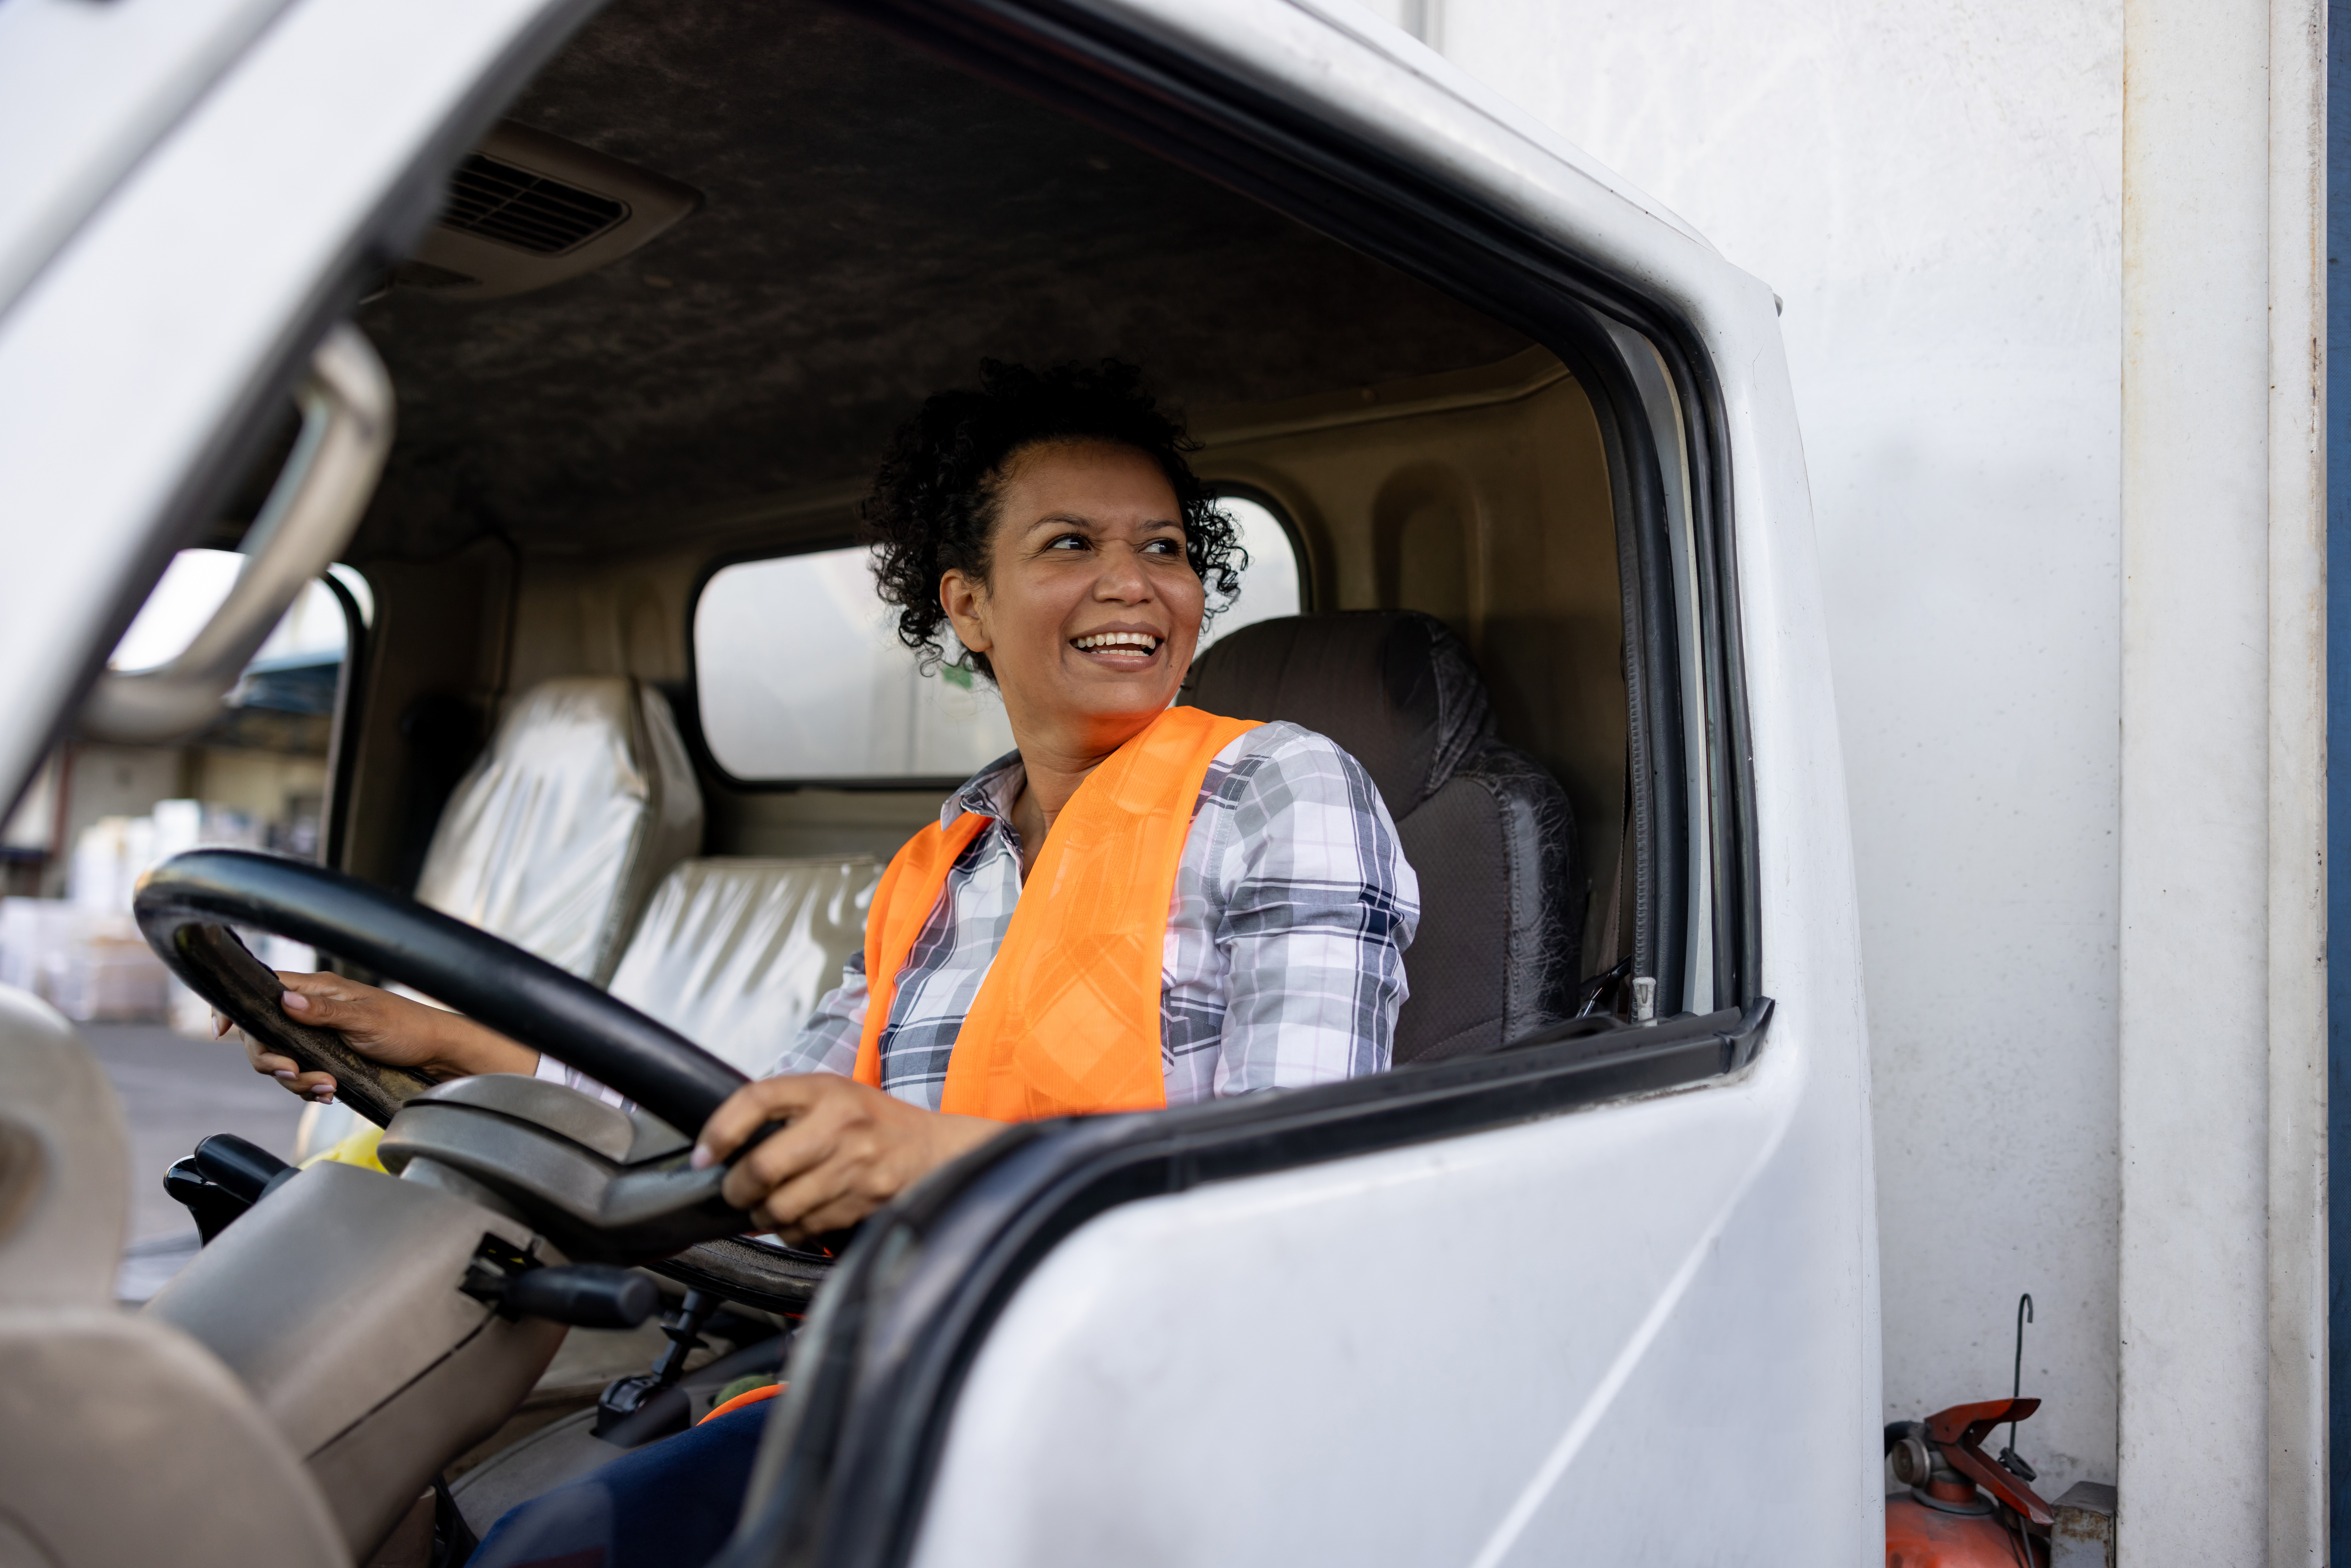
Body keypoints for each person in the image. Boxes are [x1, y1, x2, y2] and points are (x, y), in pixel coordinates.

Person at [229, 360, 1420, 1565]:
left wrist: (927, 1159)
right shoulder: (935, 863)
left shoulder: (1278, 785)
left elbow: (1296, 1170)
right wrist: (460, 1051)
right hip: (882, 1355)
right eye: (1068, 544)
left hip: (1128, 1397)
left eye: (1163, 547)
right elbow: (748, 1118)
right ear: (968, 606)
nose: (1132, 583)